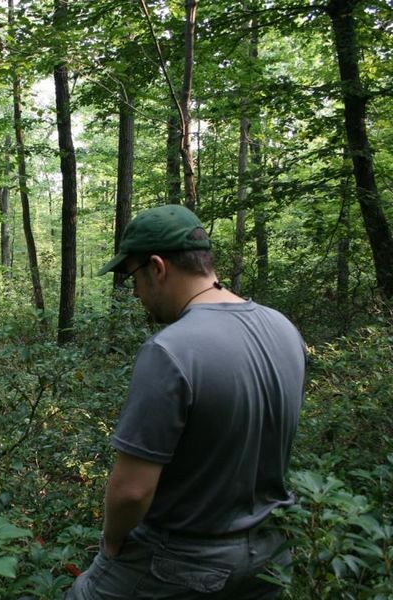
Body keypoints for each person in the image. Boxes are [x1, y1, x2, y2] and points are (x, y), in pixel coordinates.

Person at [67, 205, 306, 599]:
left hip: (182, 561)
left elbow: (131, 491)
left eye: (133, 278)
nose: (136, 294)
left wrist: (111, 548)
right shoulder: (283, 328)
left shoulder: (171, 349)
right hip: (273, 554)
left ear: (158, 268)